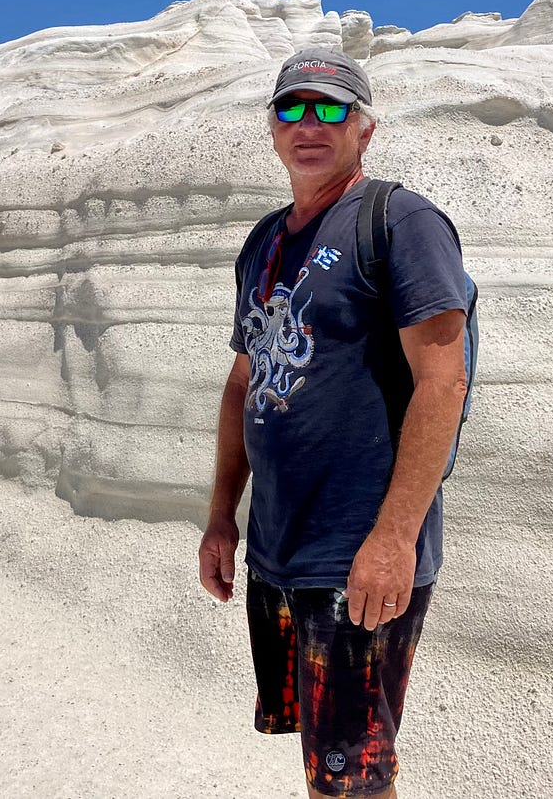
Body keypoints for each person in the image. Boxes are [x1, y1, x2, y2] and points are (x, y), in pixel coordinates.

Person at [199, 48, 470, 798]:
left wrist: (394, 540)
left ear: (364, 128)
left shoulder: (401, 221)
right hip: (278, 549)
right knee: (326, 763)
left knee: (354, 778)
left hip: (357, 553)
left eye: (330, 108)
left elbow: (442, 382)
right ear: (272, 128)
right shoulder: (264, 242)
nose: (309, 123)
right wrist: (222, 517)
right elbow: (245, 382)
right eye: (292, 107)